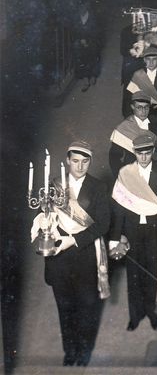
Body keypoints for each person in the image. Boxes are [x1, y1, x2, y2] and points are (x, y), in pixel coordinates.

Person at [32, 141, 110, 366]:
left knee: (87, 307)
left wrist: (74, 240)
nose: (80, 166)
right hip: (59, 258)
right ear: (67, 161)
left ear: (90, 162)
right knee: (64, 307)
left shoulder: (97, 188)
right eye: (75, 161)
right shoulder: (54, 185)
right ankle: (70, 350)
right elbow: (42, 214)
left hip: (84, 256)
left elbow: (103, 224)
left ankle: (84, 351)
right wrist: (44, 222)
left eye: (85, 161)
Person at [109, 132, 157, 332]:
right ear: (134, 153)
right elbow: (119, 208)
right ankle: (135, 315)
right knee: (133, 273)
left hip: (155, 228)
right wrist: (115, 238)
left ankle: (152, 313)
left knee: (153, 271)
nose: (144, 158)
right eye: (140, 154)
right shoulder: (125, 173)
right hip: (131, 230)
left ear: (153, 152)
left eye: (148, 153)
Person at [109, 91, 157, 178]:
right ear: (132, 107)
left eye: (146, 107)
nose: (143, 111)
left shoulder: (156, 123)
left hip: (154, 171)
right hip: (132, 172)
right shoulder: (123, 128)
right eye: (139, 107)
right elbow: (114, 158)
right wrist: (121, 176)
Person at [127, 46, 157, 120]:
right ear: (144, 60)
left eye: (154, 59)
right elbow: (131, 97)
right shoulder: (138, 74)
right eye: (148, 59)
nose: (151, 62)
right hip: (141, 111)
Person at [72, 1, 102, 92]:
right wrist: (81, 39)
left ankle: (93, 76)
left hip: (92, 40)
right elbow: (75, 31)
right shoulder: (76, 18)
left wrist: (88, 40)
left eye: (83, 7)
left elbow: (96, 32)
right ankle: (85, 80)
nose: (81, 9)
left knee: (93, 56)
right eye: (79, 8)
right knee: (81, 58)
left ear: (86, 7)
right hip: (81, 41)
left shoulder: (93, 18)